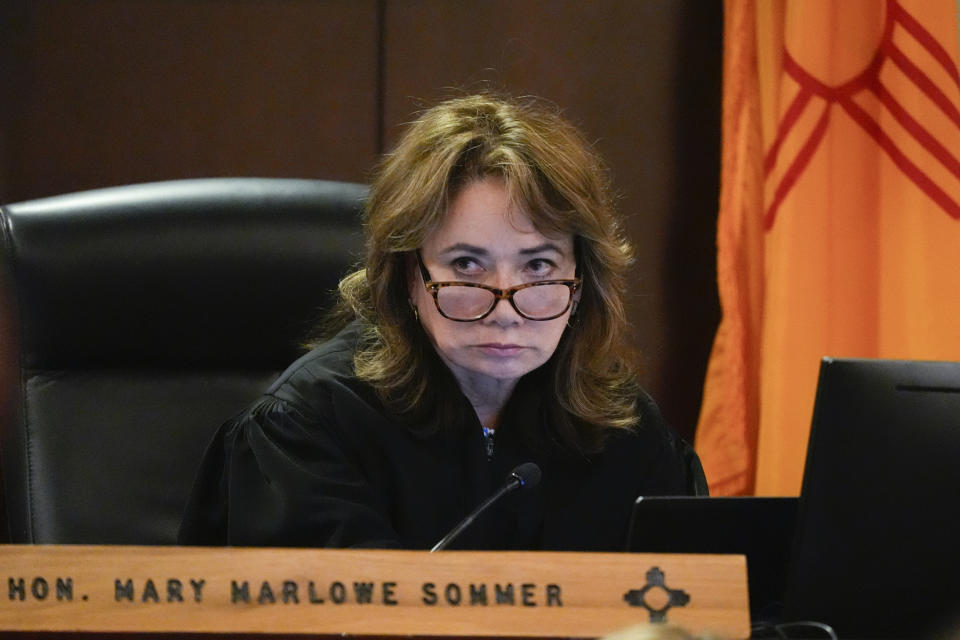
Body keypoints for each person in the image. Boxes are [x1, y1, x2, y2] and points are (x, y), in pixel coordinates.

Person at [178, 93, 707, 551]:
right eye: (467, 266)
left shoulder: (626, 432)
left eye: (538, 266)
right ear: (410, 275)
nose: (504, 309)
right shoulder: (305, 430)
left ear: (581, 282)